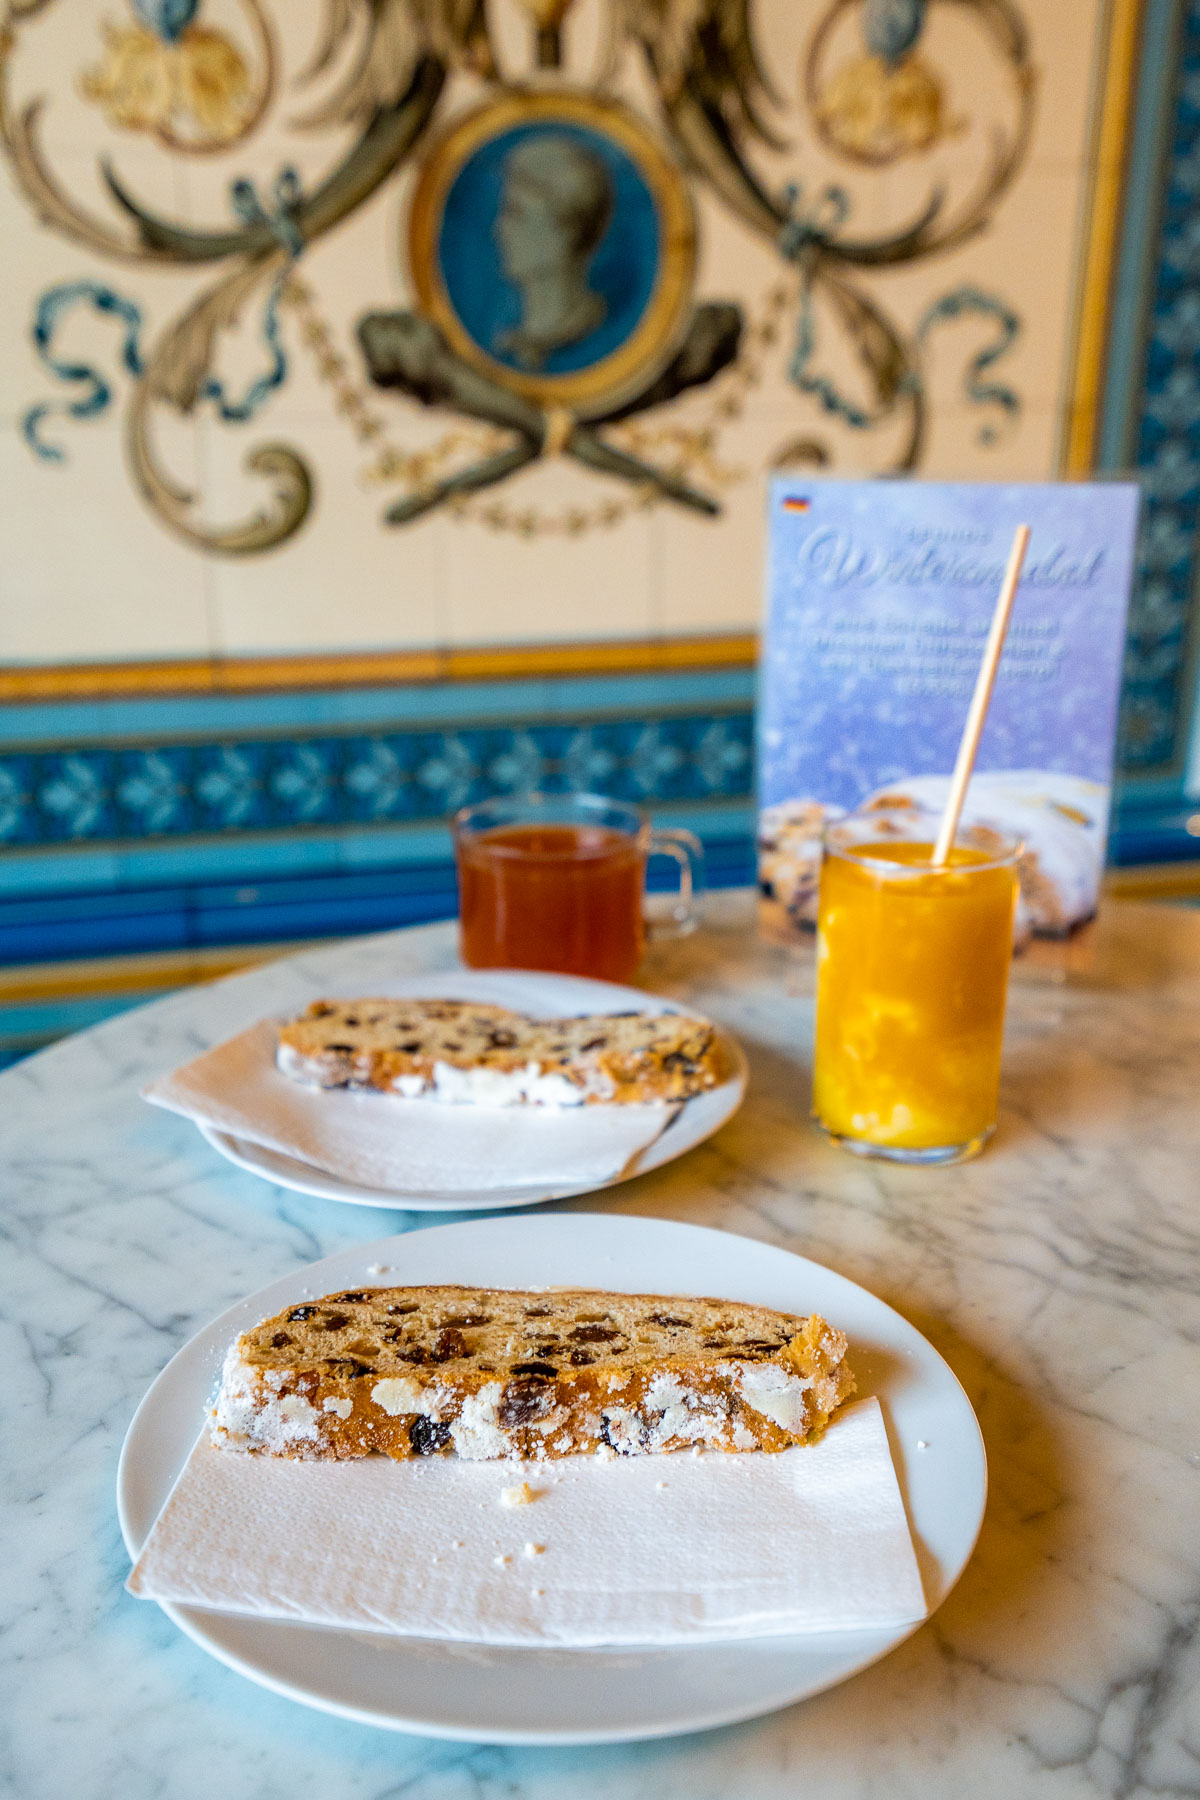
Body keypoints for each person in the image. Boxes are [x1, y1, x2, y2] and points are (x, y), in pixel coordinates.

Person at [493, 133, 614, 369]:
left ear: (568, 231)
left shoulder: (605, 330)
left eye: (516, 213)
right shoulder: (508, 342)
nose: (499, 229)